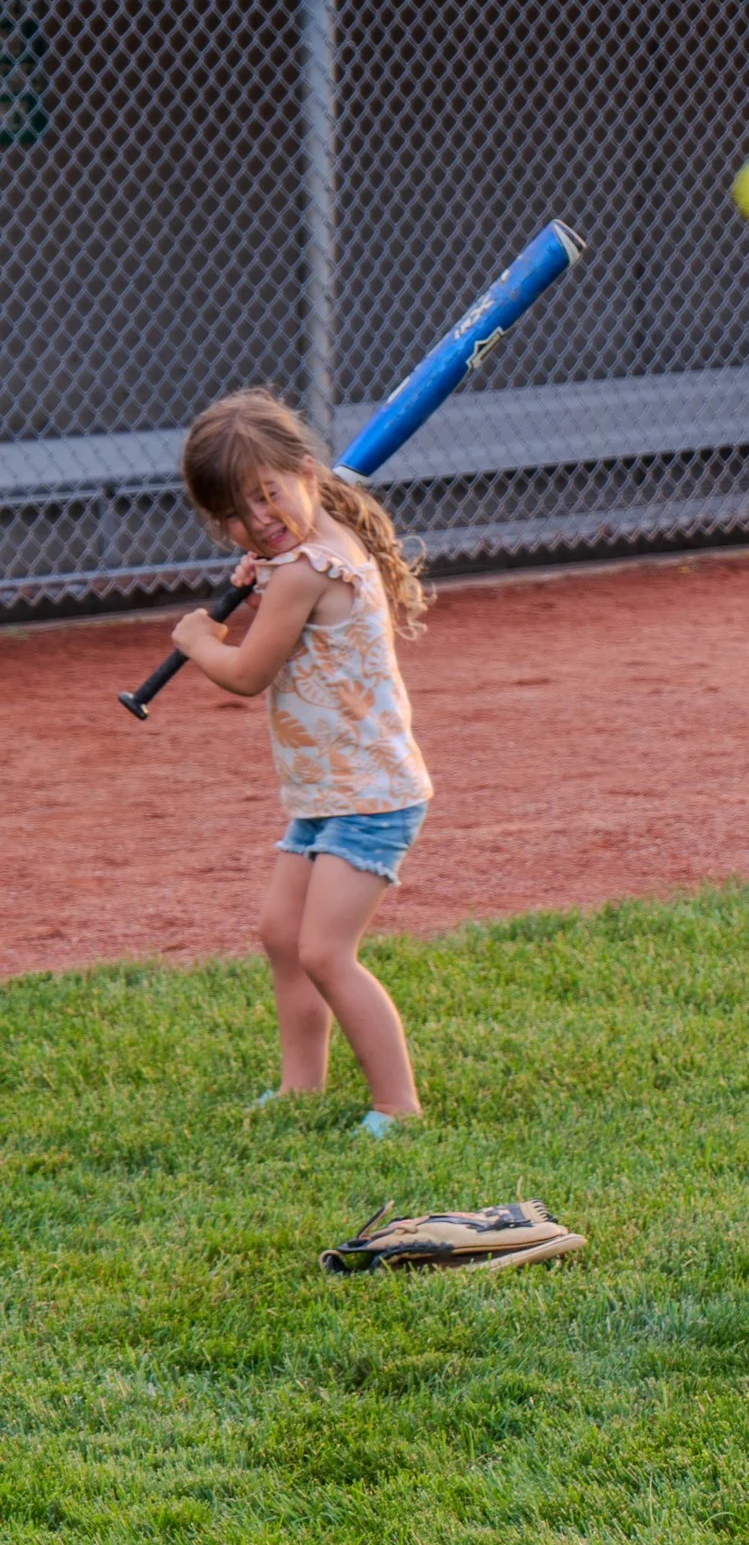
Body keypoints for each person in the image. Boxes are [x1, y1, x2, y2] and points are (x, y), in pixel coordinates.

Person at [170, 390, 431, 1138]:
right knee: (281, 933)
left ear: (306, 473)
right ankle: (301, 1087)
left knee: (323, 950)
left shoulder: (300, 574)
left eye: (269, 493)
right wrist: (260, 582)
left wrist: (197, 641)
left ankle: (397, 1107)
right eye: (236, 514)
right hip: (327, 789)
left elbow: (249, 672)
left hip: (370, 796)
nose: (258, 519)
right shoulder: (311, 546)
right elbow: (296, 632)